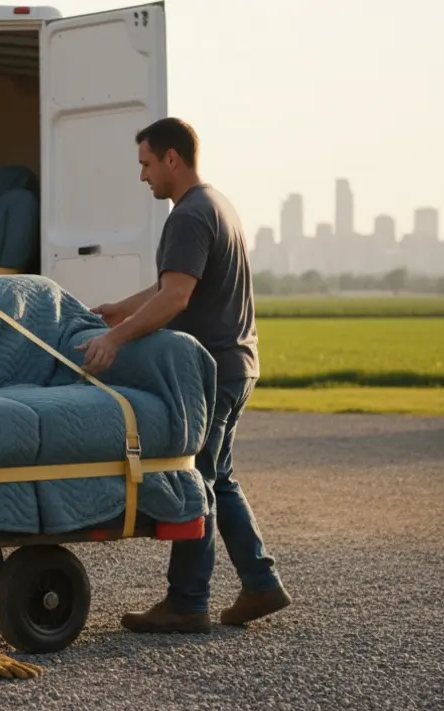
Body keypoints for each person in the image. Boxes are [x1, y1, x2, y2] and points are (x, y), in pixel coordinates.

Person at [76, 117, 291, 633]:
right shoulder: (216, 204)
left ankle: (188, 602)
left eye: (146, 164)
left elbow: (176, 297)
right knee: (221, 477)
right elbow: (167, 284)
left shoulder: (190, 215)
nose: (143, 176)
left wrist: (113, 340)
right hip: (238, 365)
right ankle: (260, 584)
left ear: (172, 158)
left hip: (213, 370)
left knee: (196, 479)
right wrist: (119, 311)